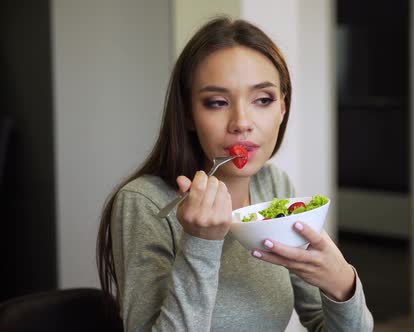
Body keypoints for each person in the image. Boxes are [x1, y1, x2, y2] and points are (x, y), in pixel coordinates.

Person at [97, 16, 374, 331]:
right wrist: (200, 243)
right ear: (188, 114)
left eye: (263, 100)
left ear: (282, 108)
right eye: (216, 102)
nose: (241, 122)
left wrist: (343, 285)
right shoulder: (146, 204)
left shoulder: (274, 186)